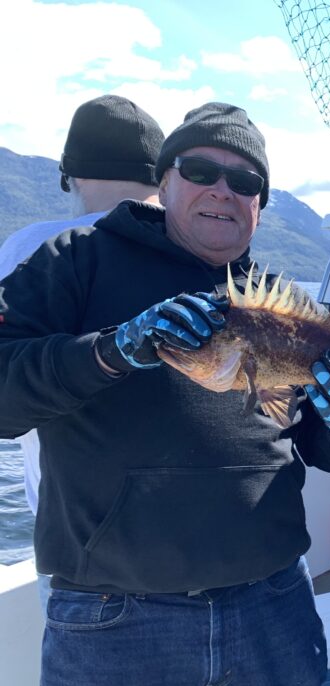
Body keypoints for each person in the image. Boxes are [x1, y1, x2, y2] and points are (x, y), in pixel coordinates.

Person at [0, 102, 330, 686]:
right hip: (116, 622)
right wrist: (110, 350)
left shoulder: (275, 297)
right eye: (202, 169)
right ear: (166, 180)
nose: (224, 190)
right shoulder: (76, 262)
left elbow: (324, 444)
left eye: (245, 183)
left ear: (260, 207)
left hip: (273, 608)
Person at [0, 95, 164, 607]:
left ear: (68, 174)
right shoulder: (198, 250)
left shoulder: (32, 248)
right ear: (164, 178)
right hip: (213, 547)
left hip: (86, 557)